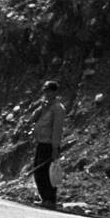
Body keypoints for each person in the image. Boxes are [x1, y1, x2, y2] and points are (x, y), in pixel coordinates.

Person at [30, 80, 67, 209]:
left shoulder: (58, 108)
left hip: (49, 145)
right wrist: (41, 108)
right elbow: (33, 119)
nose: (47, 94)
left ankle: (50, 199)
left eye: (49, 91)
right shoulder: (46, 106)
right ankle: (44, 197)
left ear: (55, 92)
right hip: (41, 143)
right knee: (39, 172)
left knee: (48, 173)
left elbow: (57, 129)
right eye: (45, 91)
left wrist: (55, 148)